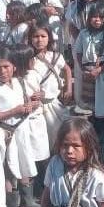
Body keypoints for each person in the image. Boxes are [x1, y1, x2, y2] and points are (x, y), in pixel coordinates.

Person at [0, 47, 46, 207]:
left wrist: (31, 104)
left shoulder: (19, 82)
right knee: (10, 169)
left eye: (6, 67)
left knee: (25, 163)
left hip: (22, 131)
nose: (3, 71)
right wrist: (15, 111)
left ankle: (27, 199)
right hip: (7, 134)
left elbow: (27, 102)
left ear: (13, 66)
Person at [74, 1, 104, 152]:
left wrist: (99, 70)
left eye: (101, 17)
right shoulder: (83, 34)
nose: (97, 20)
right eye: (94, 16)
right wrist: (82, 68)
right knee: (93, 103)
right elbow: (79, 51)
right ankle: (94, 133)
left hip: (103, 72)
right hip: (89, 72)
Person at [28, 23, 72, 153]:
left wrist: (68, 89)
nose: (39, 40)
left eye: (43, 36)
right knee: (43, 138)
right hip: (38, 105)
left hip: (55, 103)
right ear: (30, 39)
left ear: (49, 38)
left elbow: (67, 70)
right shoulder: (29, 59)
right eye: (36, 36)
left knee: (61, 133)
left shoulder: (56, 56)